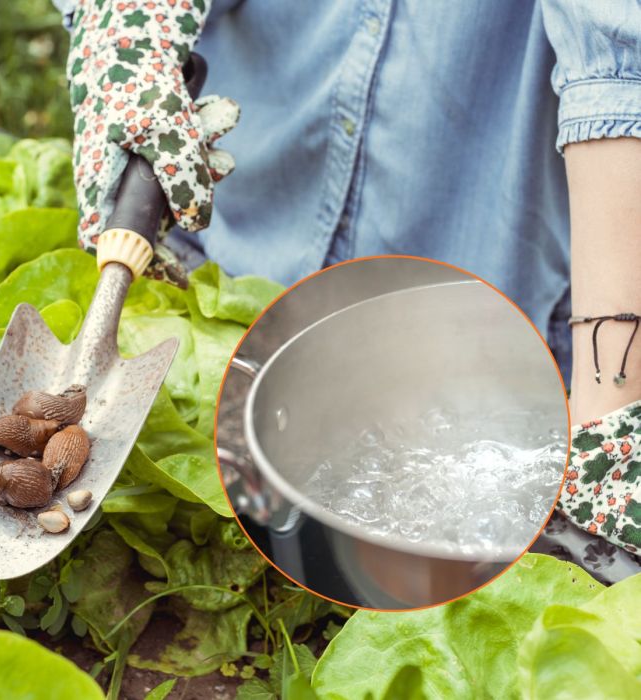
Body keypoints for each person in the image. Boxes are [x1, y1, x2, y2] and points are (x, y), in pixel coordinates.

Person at [53, 0, 641, 576]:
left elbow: (618, 60)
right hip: (228, 273)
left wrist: (610, 414)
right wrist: (129, 27)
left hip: (486, 357)